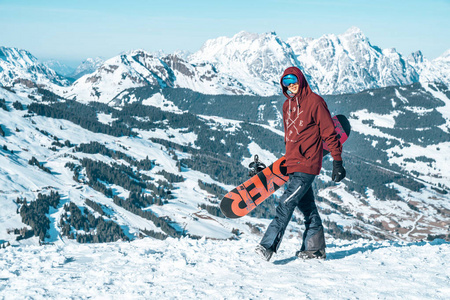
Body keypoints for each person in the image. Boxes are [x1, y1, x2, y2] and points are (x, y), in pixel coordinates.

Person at [255, 67, 346, 261]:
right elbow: (291, 136)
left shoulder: (315, 102)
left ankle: (268, 246)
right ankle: (315, 249)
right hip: (293, 164)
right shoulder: (287, 106)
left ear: (301, 80)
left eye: (293, 81)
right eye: (286, 83)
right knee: (308, 208)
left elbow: (329, 133)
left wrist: (337, 161)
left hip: (308, 164)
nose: (291, 86)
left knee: (286, 203)